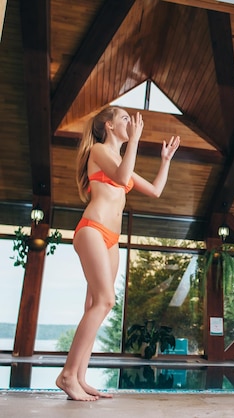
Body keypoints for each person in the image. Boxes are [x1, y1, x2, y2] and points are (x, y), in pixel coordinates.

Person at [56, 106, 180, 401]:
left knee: (95, 305)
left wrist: (165, 161)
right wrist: (135, 140)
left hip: (111, 239)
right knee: (105, 299)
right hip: (93, 230)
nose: (132, 121)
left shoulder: (118, 158)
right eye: (125, 118)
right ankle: (67, 375)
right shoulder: (99, 150)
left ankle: (80, 377)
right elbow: (124, 173)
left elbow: (155, 190)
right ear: (109, 126)